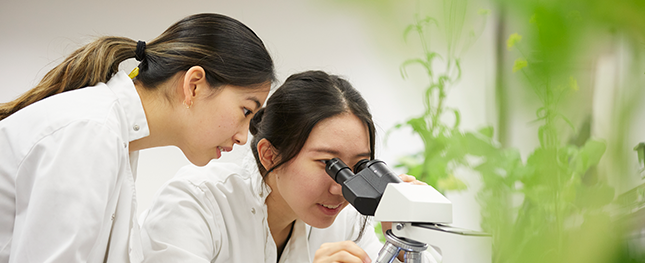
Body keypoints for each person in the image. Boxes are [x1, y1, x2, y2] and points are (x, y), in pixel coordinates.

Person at [0, 13, 274, 263]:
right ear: (194, 85)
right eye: (246, 111)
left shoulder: (115, 137)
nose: (242, 137)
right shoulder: (92, 131)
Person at [140, 71, 439, 263]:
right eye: (328, 164)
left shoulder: (345, 220)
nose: (341, 188)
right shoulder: (196, 202)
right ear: (269, 155)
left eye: (358, 167)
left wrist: (404, 243)